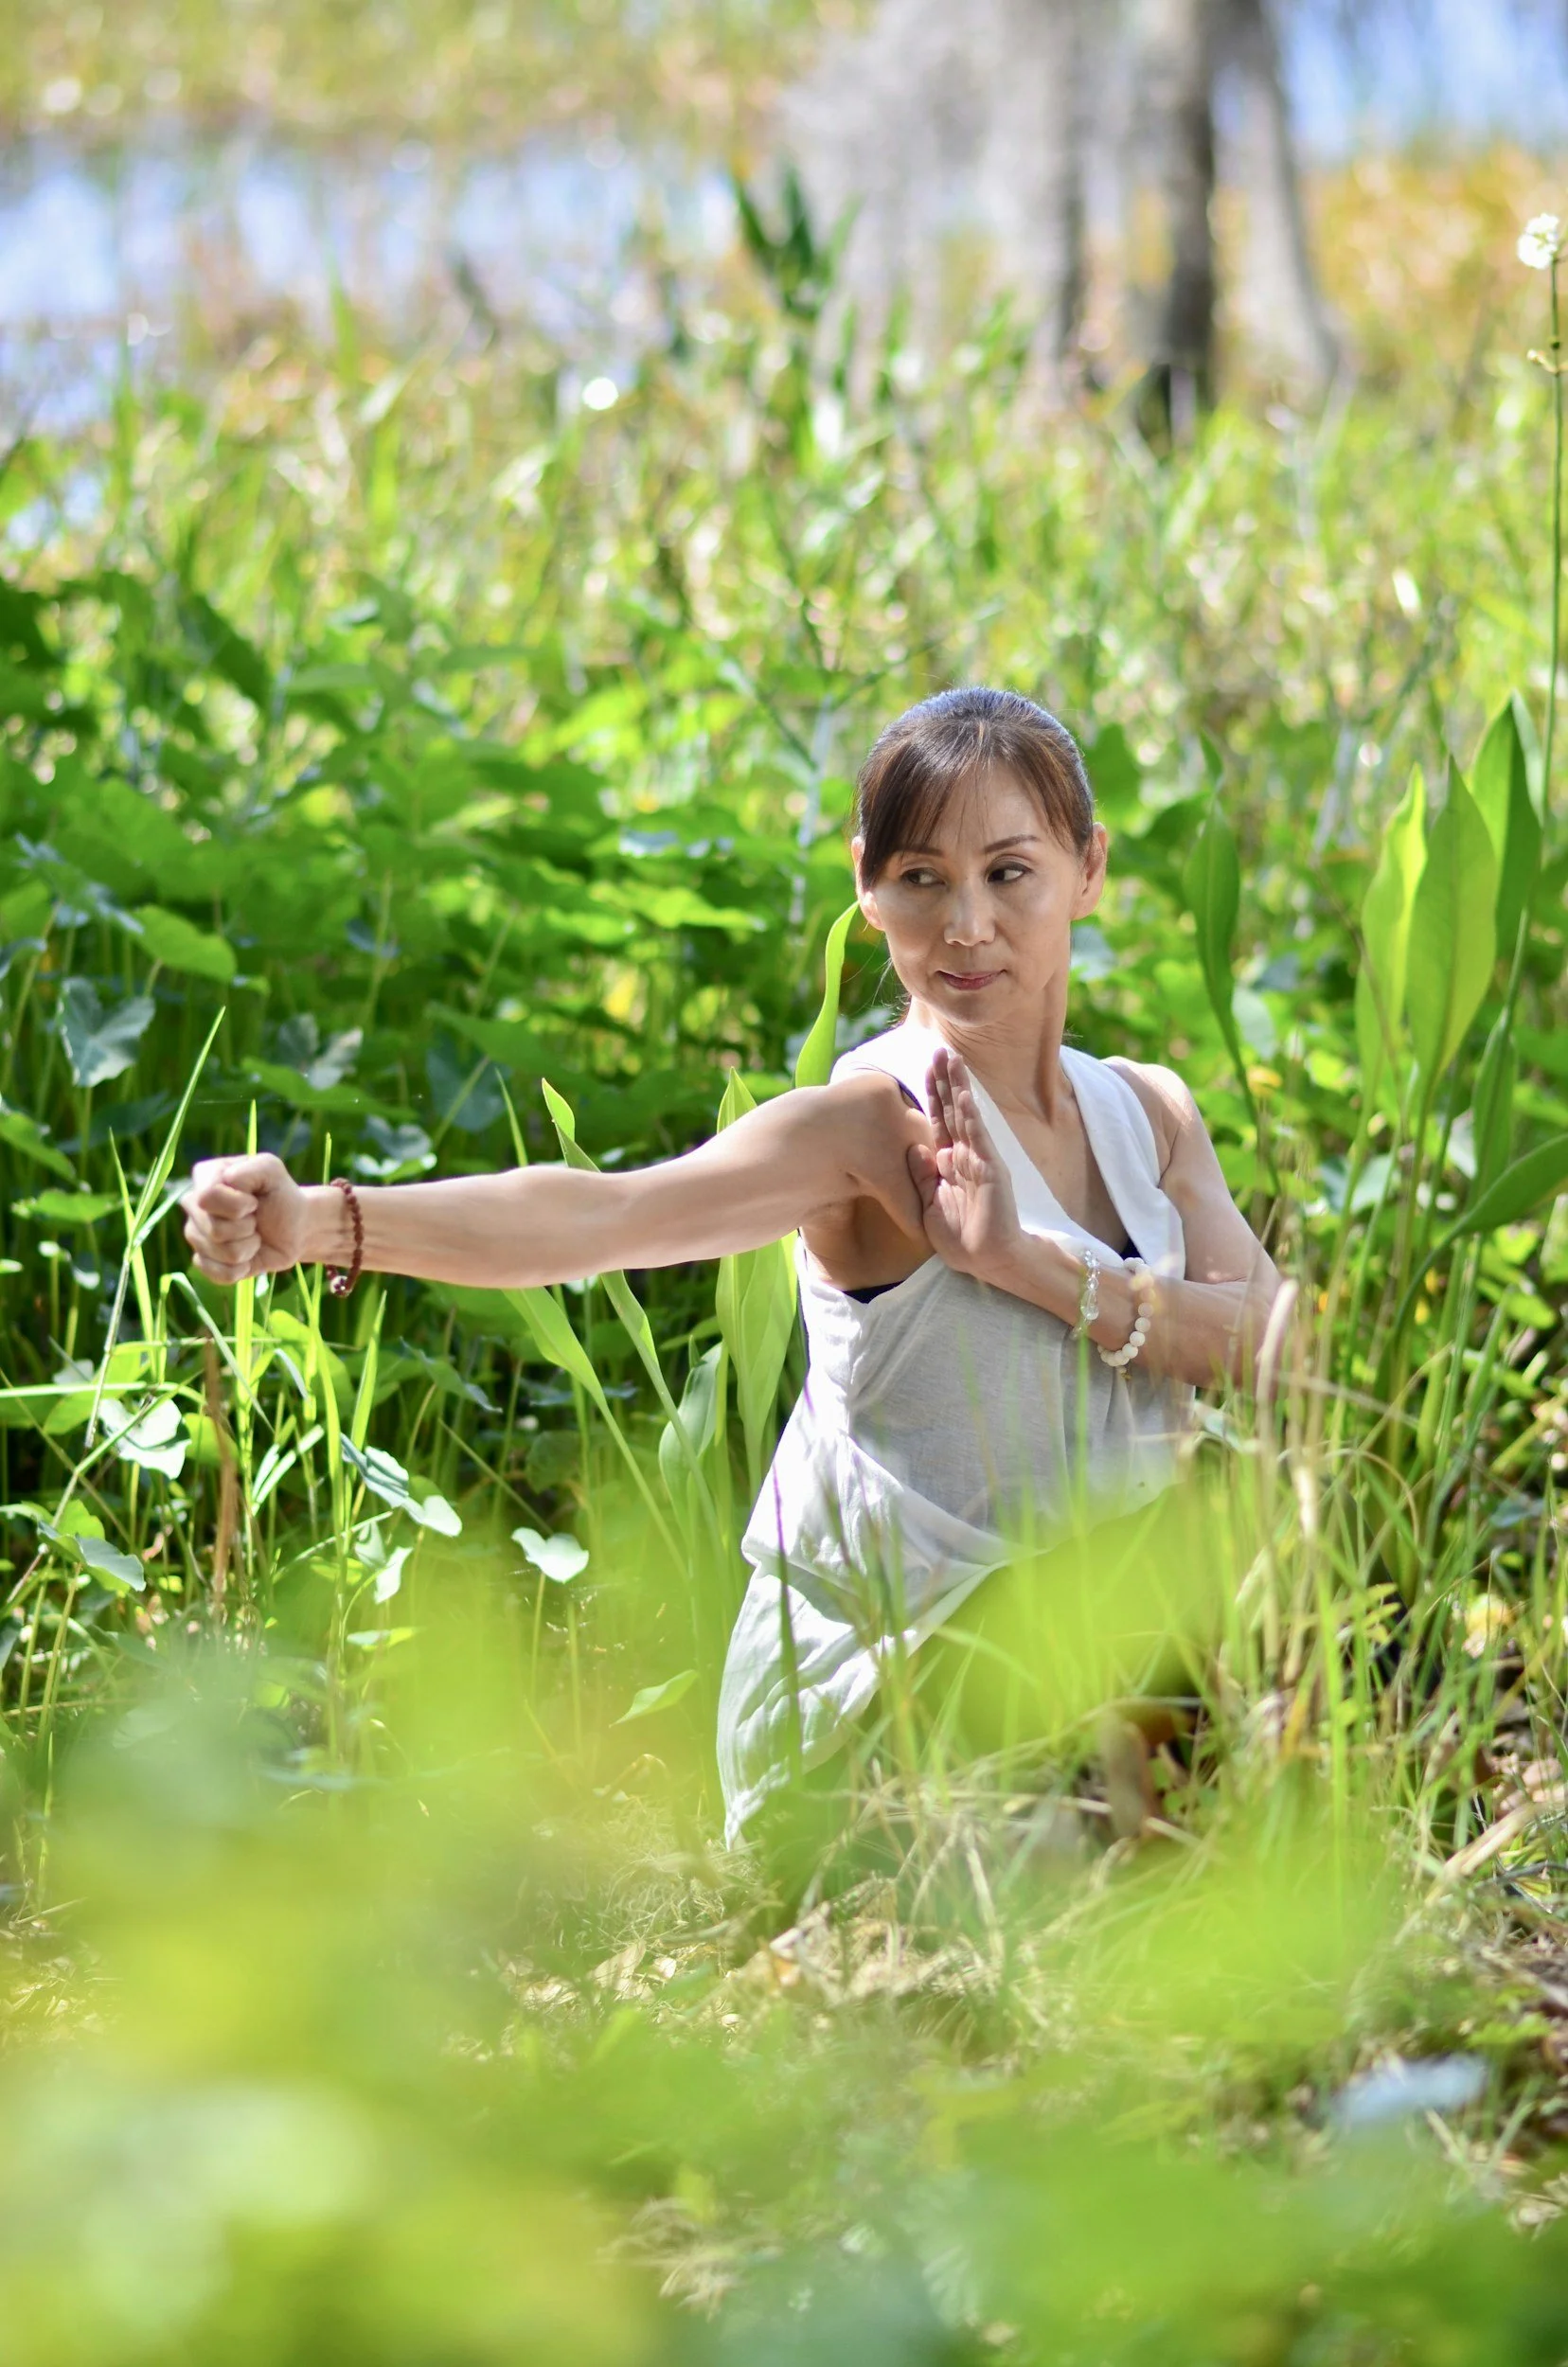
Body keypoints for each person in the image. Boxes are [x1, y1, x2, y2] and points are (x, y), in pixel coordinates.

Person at [182, 688, 1281, 1856]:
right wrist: (320, 1222)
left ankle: (1184, 1857)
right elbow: (610, 1215)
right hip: (875, 1706)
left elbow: (1283, 1347)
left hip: (1091, 1680)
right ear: (867, 883)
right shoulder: (874, 1127)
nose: (965, 924)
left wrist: (1022, 1263)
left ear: (1090, 867)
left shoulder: (1149, 1114)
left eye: (1009, 873)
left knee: (1251, 1542)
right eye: (921, 877)